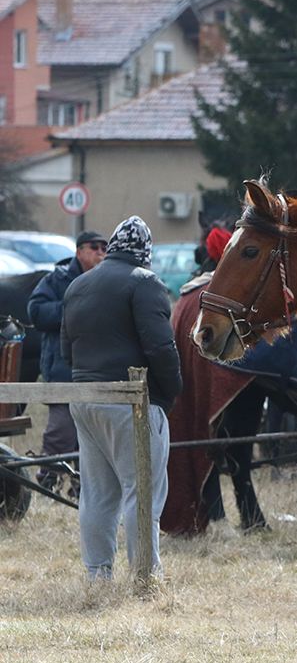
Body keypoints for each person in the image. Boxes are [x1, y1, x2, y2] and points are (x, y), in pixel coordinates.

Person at [60, 217, 182, 580]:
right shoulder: (145, 283)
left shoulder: (77, 285)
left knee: (97, 494)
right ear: (145, 251)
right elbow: (161, 347)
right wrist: (173, 389)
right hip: (131, 401)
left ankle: (97, 575)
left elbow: (68, 351)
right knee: (141, 490)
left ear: (112, 247)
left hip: (84, 398)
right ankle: (145, 574)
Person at [26, 230, 108, 493]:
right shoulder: (57, 279)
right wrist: (72, 306)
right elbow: (36, 312)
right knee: (60, 431)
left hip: (96, 370)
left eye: (104, 248)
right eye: (93, 247)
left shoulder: (105, 280)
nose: (100, 252)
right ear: (78, 252)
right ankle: (48, 480)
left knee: (91, 434)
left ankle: (81, 485)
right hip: (63, 369)